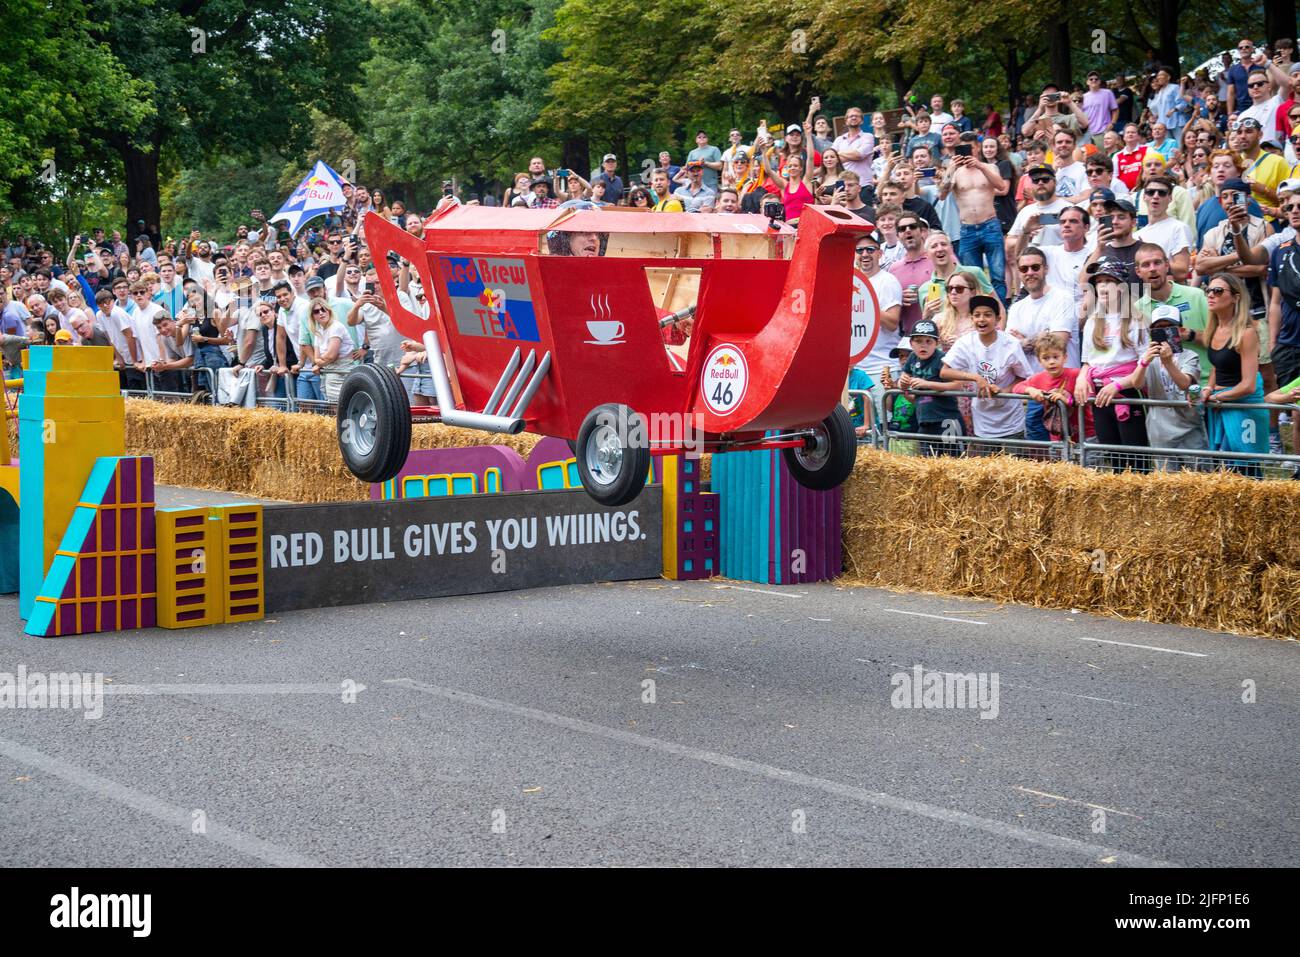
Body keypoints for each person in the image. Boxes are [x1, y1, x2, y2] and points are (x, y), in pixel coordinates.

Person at [1075, 258, 1151, 466]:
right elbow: (1087, 362)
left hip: (1127, 392)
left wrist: (1117, 385)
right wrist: (1082, 379)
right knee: (1113, 458)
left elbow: (1145, 362)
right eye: (1099, 282)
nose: (1103, 287)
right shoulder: (1092, 322)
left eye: (1109, 281)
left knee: (1136, 458)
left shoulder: (1136, 320)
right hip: (1100, 394)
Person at [940, 295, 1033, 450]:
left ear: (997, 319)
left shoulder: (1011, 344)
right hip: (982, 423)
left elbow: (1023, 376)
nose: (981, 319)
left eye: (987, 315)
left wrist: (1004, 391)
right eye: (977, 315)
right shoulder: (965, 342)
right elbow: (945, 372)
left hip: (1011, 422)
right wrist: (976, 378)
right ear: (972, 319)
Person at [1203, 273, 1269, 473]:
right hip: (1221, 403)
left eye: (1218, 291)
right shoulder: (1213, 329)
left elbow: (1248, 385)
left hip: (1242, 405)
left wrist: (1217, 397)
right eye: (1208, 290)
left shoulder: (1246, 333)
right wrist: (1208, 387)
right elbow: (1217, 366)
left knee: (1243, 470)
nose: (1211, 295)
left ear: (1235, 297)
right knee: (1223, 468)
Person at [1131, 303, 1207, 469]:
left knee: (1198, 476)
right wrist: (1144, 362)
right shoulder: (1148, 358)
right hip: (1160, 429)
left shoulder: (1189, 356)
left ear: (1179, 330)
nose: (1165, 332)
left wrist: (1168, 362)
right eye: (1159, 328)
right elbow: (1136, 384)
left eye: (1169, 327)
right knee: (1167, 479)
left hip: (1188, 425)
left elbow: (1185, 383)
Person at [938, 132, 1008, 300]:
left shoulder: (989, 167)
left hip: (990, 224)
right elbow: (941, 194)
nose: (967, 152)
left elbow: (1001, 186)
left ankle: (1000, 313)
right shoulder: (955, 172)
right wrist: (951, 168)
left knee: (998, 275)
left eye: (970, 148)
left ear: (976, 148)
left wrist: (980, 166)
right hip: (967, 229)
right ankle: (976, 311)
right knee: (971, 277)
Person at [853, 231, 903, 422]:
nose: (865, 254)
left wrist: (867, 305)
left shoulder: (888, 281)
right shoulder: (848, 280)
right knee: (857, 428)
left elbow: (891, 323)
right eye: (859, 250)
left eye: (870, 249)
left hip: (880, 367)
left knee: (883, 427)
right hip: (854, 369)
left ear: (879, 253)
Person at [897, 318, 965, 454]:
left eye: (928, 341)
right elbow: (902, 382)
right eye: (918, 341)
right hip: (924, 419)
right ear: (911, 343)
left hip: (947, 418)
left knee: (952, 460)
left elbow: (958, 385)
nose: (923, 346)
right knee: (928, 462)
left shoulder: (943, 358)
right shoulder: (912, 358)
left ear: (937, 343)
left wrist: (927, 384)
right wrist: (902, 382)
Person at [1013, 333, 1090, 443]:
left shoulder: (1076, 375)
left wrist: (1067, 401)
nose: (1052, 362)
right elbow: (1017, 387)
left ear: (1065, 357)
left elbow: (1088, 398)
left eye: (1055, 357)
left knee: (1089, 460)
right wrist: (1031, 390)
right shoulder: (1038, 378)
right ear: (1039, 361)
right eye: (1046, 358)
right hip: (1056, 435)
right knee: (1058, 460)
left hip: (1084, 433)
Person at [887, 212, 933, 337]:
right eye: (902, 229)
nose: (908, 231)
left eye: (912, 227)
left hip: (939, 334)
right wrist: (899, 299)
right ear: (898, 236)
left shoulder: (938, 260)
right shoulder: (893, 269)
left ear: (921, 231)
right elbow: (889, 309)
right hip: (909, 336)